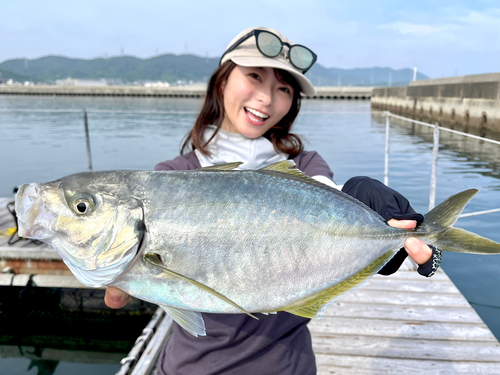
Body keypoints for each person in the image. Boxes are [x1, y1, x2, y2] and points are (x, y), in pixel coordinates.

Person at [105, 27, 441, 374]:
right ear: (221, 80)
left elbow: (324, 195)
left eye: (283, 88)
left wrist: (370, 221)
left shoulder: (305, 165)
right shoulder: (172, 177)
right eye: (254, 76)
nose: (266, 98)